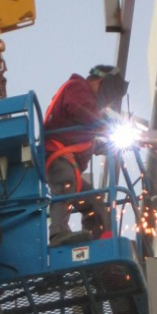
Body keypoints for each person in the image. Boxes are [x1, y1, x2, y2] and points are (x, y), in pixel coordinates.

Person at [43, 65, 129, 246]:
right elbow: (80, 109)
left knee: (95, 201)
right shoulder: (77, 86)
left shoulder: (86, 105)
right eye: (104, 97)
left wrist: (101, 145)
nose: (102, 103)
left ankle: (101, 243)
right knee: (66, 186)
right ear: (98, 81)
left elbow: (82, 134)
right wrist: (106, 124)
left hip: (69, 160)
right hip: (58, 156)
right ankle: (58, 234)